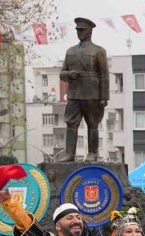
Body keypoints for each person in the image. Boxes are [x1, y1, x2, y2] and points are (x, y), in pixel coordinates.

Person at [57, 17, 108, 162]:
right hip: (74, 93)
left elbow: (104, 75)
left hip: (92, 94)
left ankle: (92, 153)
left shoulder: (98, 51)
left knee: (93, 124)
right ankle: (69, 153)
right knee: (71, 123)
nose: (79, 33)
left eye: (82, 30)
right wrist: (68, 74)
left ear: (90, 31)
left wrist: (104, 97)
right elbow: (62, 73)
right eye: (78, 30)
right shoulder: (70, 51)